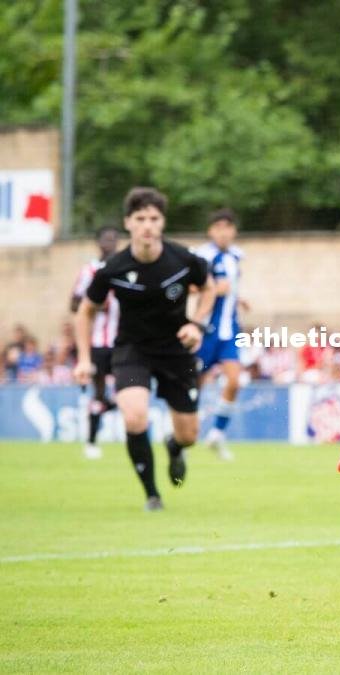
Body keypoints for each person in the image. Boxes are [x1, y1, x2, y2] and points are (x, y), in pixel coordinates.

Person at [73, 187, 215, 511]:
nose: (147, 225)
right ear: (128, 223)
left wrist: (196, 324)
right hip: (132, 351)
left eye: (154, 218)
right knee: (135, 417)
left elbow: (208, 289)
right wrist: (83, 359)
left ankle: (174, 447)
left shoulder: (184, 259)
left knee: (190, 434)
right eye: (140, 219)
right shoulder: (113, 269)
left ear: (163, 222)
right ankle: (152, 494)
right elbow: (85, 311)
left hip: (177, 352)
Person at [194, 208, 248, 461]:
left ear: (234, 231)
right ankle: (185, 435)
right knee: (196, 384)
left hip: (230, 331)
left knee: (235, 380)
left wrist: (239, 298)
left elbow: (232, 287)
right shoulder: (203, 256)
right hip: (207, 331)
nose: (223, 232)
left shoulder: (237, 256)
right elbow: (191, 287)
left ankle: (217, 434)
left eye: (228, 227)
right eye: (218, 227)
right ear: (211, 231)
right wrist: (216, 289)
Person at [70, 225, 122, 459]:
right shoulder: (90, 270)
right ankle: (91, 442)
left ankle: (112, 410)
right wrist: (97, 304)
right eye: (106, 239)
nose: (110, 243)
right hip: (98, 344)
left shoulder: (126, 269)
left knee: (129, 390)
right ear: (98, 243)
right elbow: (74, 304)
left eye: (114, 239)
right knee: (98, 392)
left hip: (124, 342)